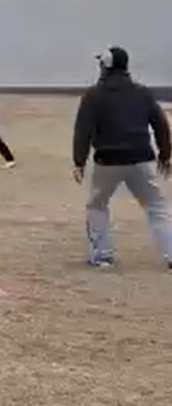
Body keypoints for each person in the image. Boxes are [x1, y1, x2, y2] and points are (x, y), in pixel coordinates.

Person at [73, 46, 172, 269]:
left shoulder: (93, 95)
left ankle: (102, 256)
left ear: (105, 67)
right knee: (156, 206)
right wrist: (165, 155)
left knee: (97, 205)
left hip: (107, 160)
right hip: (141, 157)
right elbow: (160, 124)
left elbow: (83, 130)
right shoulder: (142, 93)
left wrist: (79, 161)